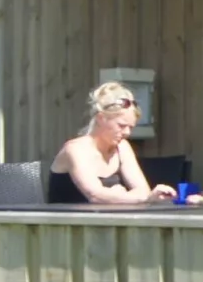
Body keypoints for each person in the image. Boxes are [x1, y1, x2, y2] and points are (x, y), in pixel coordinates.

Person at [47, 83, 176, 205]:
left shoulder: (122, 147)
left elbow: (143, 191)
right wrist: (127, 196)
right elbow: (95, 195)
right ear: (101, 118)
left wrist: (119, 196)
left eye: (131, 127)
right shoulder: (75, 150)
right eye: (121, 126)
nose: (127, 132)